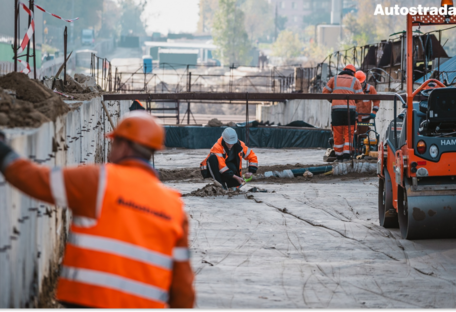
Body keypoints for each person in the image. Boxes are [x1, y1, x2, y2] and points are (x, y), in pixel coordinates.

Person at [0, 112, 195, 309]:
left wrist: (3, 151)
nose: (110, 151)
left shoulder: (97, 180)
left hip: (89, 302)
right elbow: (183, 287)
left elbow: (34, 179)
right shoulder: (174, 206)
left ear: (124, 146)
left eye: (113, 144)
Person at [323, 64, 363, 161]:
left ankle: (339, 156)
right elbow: (361, 97)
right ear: (353, 73)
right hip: (350, 111)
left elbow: (325, 92)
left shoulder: (334, 79)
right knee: (349, 133)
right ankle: (346, 156)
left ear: (344, 70)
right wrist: (354, 102)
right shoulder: (355, 81)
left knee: (337, 133)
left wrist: (333, 100)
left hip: (337, 111)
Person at [355, 71, 380, 137]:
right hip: (354, 116)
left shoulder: (370, 89)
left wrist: (374, 112)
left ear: (364, 81)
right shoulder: (353, 89)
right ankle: (355, 146)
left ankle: (362, 145)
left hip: (366, 117)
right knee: (353, 135)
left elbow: (376, 100)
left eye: (361, 83)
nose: (360, 85)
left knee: (363, 135)